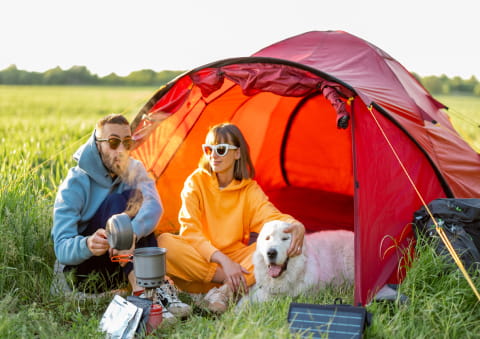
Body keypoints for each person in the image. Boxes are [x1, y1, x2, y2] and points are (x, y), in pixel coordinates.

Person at [51, 113, 191, 321]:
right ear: (98, 145)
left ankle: (153, 290)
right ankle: (145, 295)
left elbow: (154, 206)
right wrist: (88, 244)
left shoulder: (134, 169)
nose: (121, 150)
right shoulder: (76, 182)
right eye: (113, 142)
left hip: (118, 265)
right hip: (86, 270)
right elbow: (62, 248)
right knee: (117, 204)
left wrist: (132, 233)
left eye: (127, 142)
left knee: (140, 201)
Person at [158, 122, 305, 313]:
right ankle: (226, 282)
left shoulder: (249, 190)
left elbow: (271, 217)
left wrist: (296, 225)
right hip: (202, 260)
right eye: (209, 149)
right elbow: (190, 231)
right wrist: (225, 265)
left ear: (237, 153)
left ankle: (223, 292)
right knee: (165, 243)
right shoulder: (196, 181)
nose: (213, 155)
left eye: (220, 149)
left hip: (237, 261)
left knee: (262, 249)